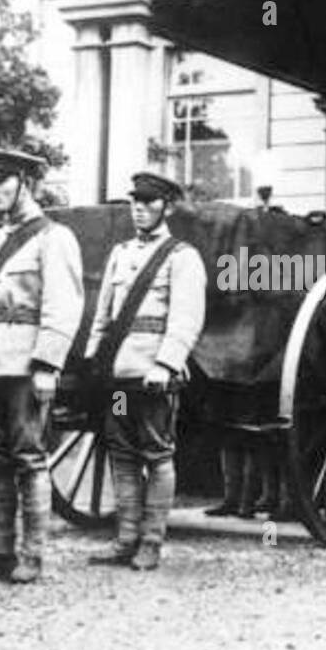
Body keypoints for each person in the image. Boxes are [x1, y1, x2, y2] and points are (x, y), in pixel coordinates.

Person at [0, 145, 84, 584]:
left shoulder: (53, 238)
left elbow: (63, 305)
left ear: (27, 184)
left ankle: (32, 555)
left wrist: (48, 365)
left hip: (27, 361)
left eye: (2, 181)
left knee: (28, 457)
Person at [87, 172, 207, 571]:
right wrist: (94, 358)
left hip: (152, 376)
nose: (139, 208)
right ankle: (125, 539)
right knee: (121, 453)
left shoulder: (181, 256)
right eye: (135, 201)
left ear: (166, 207)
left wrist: (166, 364)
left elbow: (186, 319)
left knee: (156, 454)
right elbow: (103, 314)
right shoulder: (120, 253)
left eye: (149, 202)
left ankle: (151, 542)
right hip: (119, 378)